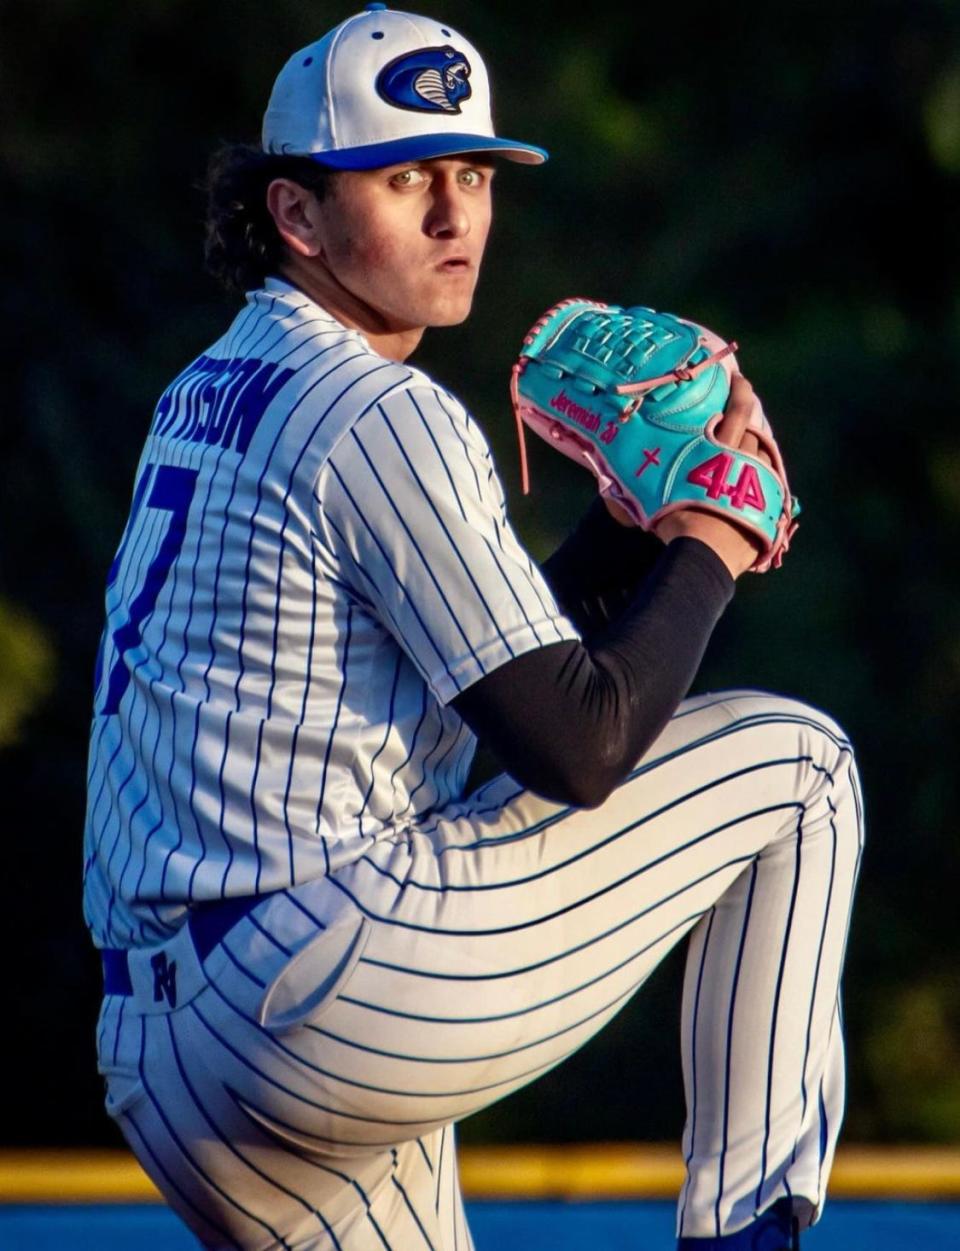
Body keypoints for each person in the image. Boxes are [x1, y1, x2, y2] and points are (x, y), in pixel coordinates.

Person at [84, 6, 863, 1249]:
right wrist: (715, 534)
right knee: (803, 769)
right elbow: (578, 746)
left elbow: (489, 680)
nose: (456, 217)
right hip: (322, 988)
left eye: (473, 175)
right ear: (295, 215)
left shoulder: (213, 386)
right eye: (405, 180)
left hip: (170, 1054)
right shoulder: (381, 411)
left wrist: (633, 531)